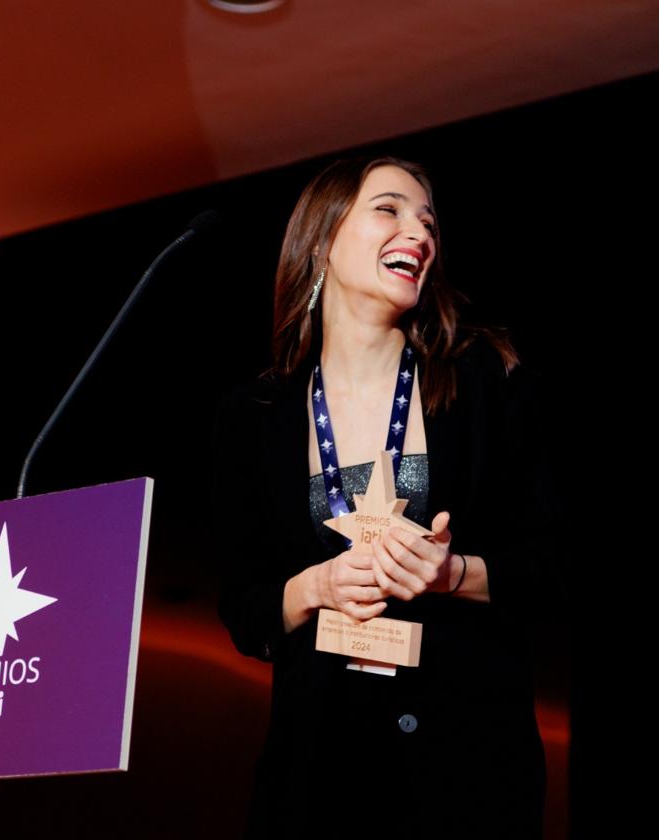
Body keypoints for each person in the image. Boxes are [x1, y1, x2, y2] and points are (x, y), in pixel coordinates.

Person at [213, 156, 560, 838]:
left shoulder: (488, 379)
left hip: (468, 766)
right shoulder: (254, 413)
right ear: (322, 240)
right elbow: (244, 608)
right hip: (318, 771)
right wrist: (317, 585)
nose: (419, 232)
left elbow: (555, 567)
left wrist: (452, 575)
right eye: (390, 209)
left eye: (428, 220)